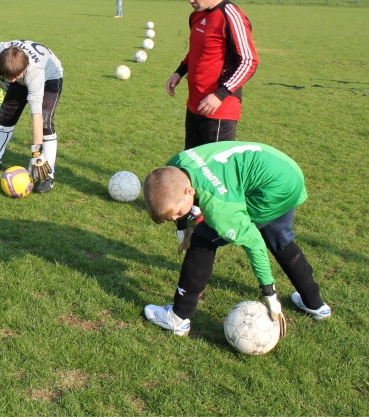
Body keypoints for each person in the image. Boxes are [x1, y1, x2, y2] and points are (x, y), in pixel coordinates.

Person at [141, 141, 332, 337]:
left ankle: (178, 317)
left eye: (178, 213)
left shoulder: (219, 207)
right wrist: (182, 227)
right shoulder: (174, 167)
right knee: (278, 237)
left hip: (274, 188)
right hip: (283, 168)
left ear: (190, 191)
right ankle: (315, 303)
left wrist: (269, 293)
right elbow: (178, 196)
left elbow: (254, 243)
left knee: (203, 239)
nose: (175, 217)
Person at [165, 0, 258, 150]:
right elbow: (198, 51)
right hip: (195, 105)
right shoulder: (196, 16)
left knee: (214, 166)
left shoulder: (231, 16)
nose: (190, 0)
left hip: (219, 110)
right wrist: (179, 72)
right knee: (192, 162)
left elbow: (249, 61)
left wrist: (219, 95)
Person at [0, 40, 64, 194]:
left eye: (16, 76)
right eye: (10, 77)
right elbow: (7, 74)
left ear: (23, 69)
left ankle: (48, 174)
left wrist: (36, 153)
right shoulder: (0, 51)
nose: (12, 80)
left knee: (45, 121)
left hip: (49, 78)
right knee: (6, 115)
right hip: (20, 72)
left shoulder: (34, 72)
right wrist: (8, 78)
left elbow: (37, 116)